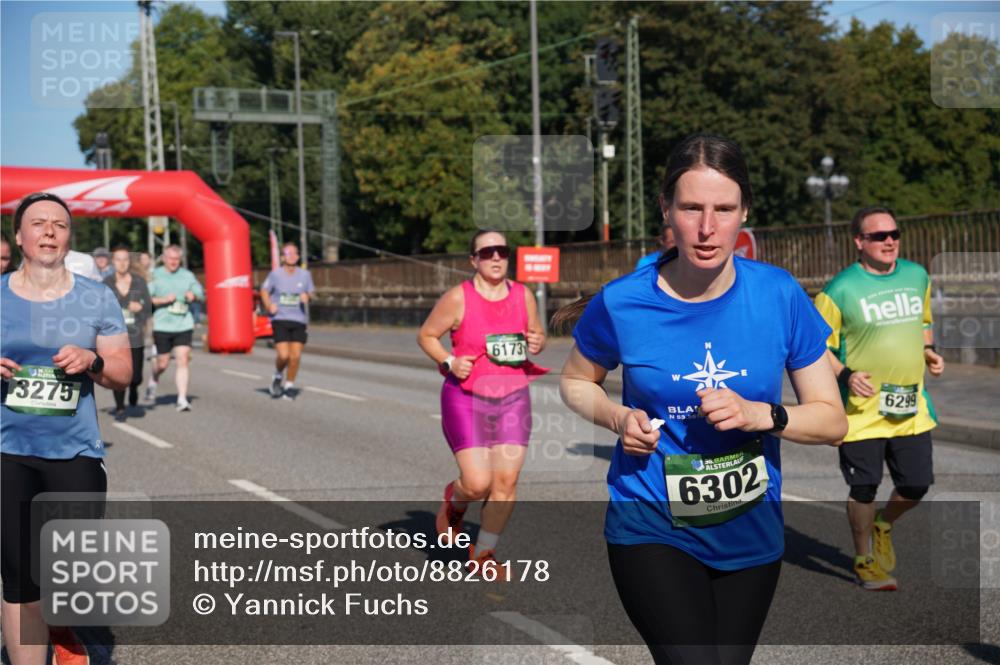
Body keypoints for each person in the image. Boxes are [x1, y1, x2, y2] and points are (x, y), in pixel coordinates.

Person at [556, 134, 848, 665]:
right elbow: (576, 382)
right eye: (691, 208)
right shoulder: (623, 302)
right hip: (651, 521)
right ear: (667, 208)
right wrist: (619, 416)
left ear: (745, 213)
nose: (708, 228)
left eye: (724, 209)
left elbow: (833, 421)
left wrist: (763, 414)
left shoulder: (779, 295)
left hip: (750, 526)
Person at [1, 192, 131, 665]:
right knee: (19, 579)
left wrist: (92, 359)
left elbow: (121, 372)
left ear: (69, 236)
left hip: (74, 452)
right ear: (20, 236)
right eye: (38, 223)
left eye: (59, 224)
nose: (49, 232)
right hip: (7, 450)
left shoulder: (95, 296)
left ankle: (59, 623)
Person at [814, 206, 945, 591]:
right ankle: (863, 558)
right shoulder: (839, 290)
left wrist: (929, 350)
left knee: (918, 484)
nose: (889, 241)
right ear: (859, 242)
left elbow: (923, 321)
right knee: (864, 487)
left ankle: (884, 524)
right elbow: (817, 348)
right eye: (878, 236)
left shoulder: (916, 275)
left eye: (894, 234)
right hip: (861, 412)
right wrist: (847, 375)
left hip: (910, 407)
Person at [417, 230, 548, 571]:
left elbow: (535, 337)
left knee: (505, 482)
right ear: (473, 260)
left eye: (501, 251)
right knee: (477, 483)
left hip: (513, 397)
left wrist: (537, 341)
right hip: (466, 397)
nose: (495, 257)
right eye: (486, 252)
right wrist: (448, 361)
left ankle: (484, 553)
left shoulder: (524, 295)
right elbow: (427, 335)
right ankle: (456, 501)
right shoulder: (458, 298)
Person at [145, 244, 204, 411]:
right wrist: (163, 300)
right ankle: (154, 378)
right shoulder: (155, 275)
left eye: (177, 259)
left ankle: (182, 399)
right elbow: (145, 298)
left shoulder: (187, 275)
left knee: (183, 359)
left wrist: (194, 295)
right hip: (163, 325)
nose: (174, 262)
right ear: (164, 259)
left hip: (183, 324)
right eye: (171, 258)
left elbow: (200, 293)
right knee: (162, 363)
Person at [260, 242, 315, 400]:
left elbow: (312, 293)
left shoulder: (305, 275)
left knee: (295, 356)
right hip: (280, 318)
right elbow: (264, 290)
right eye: (288, 253)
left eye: (295, 253)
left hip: (299, 319)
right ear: (283, 257)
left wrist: (308, 297)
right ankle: (278, 376)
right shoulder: (275, 274)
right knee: (284, 356)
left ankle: (289, 385)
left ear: (298, 256)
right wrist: (269, 305)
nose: (292, 256)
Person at [104, 247, 152, 419]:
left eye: (125, 259)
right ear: (113, 262)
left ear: (129, 262)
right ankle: (120, 407)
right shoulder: (107, 283)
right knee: (118, 372)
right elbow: (99, 308)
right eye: (118, 259)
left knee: (136, 375)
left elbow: (148, 306)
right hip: (114, 335)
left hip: (135, 333)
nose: (122, 263)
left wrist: (140, 308)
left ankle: (134, 387)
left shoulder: (139, 282)